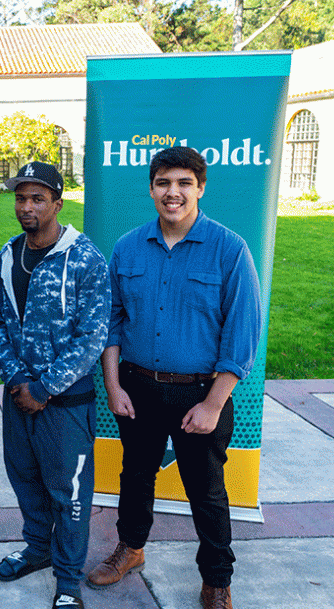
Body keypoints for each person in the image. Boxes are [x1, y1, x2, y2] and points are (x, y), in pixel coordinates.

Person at [86, 147, 262, 609]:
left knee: (206, 491)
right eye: (164, 183)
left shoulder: (229, 249)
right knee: (137, 475)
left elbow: (242, 333)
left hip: (200, 395)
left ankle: (217, 579)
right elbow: (112, 321)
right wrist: (113, 385)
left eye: (184, 183)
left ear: (200, 188)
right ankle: (131, 549)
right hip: (137, 387)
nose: (173, 193)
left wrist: (213, 404)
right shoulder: (127, 247)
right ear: (151, 189)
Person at [0, 162, 110, 609]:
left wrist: (45, 387)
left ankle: (69, 580)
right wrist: (18, 379)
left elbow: (93, 335)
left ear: (57, 203)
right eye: (21, 198)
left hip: (64, 402)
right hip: (18, 396)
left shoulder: (84, 258)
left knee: (69, 491)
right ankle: (37, 549)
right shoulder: (6, 255)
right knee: (25, 480)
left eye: (38, 199)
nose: (27, 207)